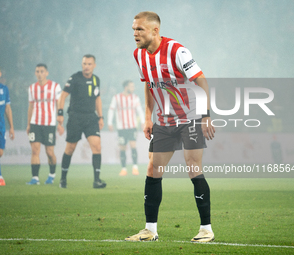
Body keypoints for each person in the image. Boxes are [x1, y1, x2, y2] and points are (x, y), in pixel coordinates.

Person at [125, 12, 216, 242]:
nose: (135, 34)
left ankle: (206, 229)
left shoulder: (177, 51)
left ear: (155, 30)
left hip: (190, 117)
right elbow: (148, 84)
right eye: (134, 29)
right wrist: (148, 117)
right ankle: (150, 230)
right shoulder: (139, 55)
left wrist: (206, 115)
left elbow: (201, 79)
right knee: (152, 169)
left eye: (140, 29)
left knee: (193, 167)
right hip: (164, 120)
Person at [57, 54, 106, 189]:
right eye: (84, 64)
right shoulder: (74, 78)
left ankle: (97, 180)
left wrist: (100, 117)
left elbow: (97, 99)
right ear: (82, 65)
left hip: (91, 118)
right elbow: (62, 96)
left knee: (97, 146)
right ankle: (63, 179)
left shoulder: (96, 80)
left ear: (94, 65)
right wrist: (60, 113)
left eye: (89, 64)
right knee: (70, 148)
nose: (86, 66)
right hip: (75, 117)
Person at [26, 63, 63, 185]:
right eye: (37, 71)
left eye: (42, 71)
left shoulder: (55, 87)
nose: (39, 74)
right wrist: (28, 124)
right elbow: (31, 106)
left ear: (46, 73)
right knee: (35, 151)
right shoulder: (31, 88)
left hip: (49, 124)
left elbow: (59, 104)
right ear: (35, 73)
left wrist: (60, 123)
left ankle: (52, 174)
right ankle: (35, 178)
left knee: (49, 152)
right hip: (35, 123)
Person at [107, 80, 145, 176]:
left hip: (132, 126)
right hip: (121, 128)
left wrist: (143, 122)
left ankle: (135, 167)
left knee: (133, 145)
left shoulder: (135, 98)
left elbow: (140, 110)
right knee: (122, 148)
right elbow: (111, 110)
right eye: (131, 86)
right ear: (126, 87)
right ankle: (123, 168)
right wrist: (109, 122)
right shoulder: (117, 98)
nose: (133, 88)